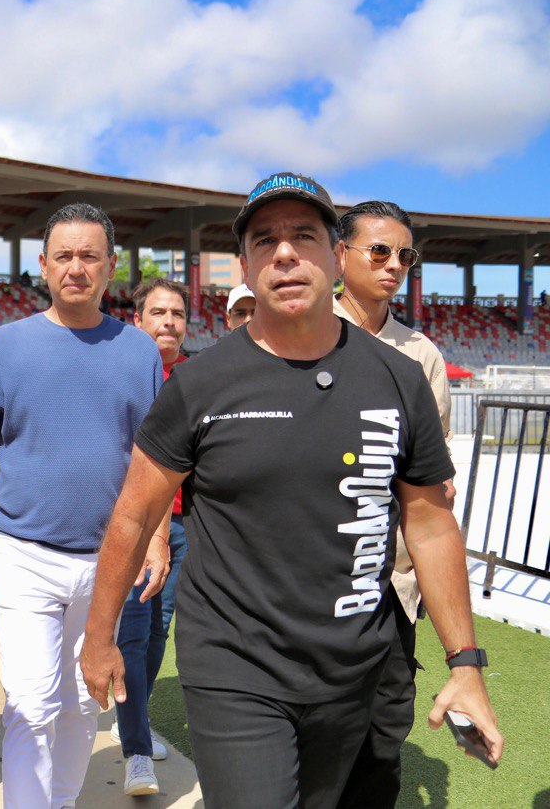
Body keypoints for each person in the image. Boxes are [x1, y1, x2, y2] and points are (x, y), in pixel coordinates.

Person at [80, 171, 503, 808]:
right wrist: (100, 634)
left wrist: (465, 663)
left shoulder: (399, 378)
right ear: (244, 266)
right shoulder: (201, 385)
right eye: (264, 240)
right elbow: (134, 514)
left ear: (334, 255)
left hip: (351, 668)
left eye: (303, 235)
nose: (284, 252)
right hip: (235, 666)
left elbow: (431, 523)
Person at [0, 203, 165, 809]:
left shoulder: (139, 351)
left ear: (110, 266)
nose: (76, 268)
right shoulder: (3, 346)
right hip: (25, 552)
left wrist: (151, 538)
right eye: (64, 256)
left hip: (109, 562)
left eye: (89, 256)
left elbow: (150, 462)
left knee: (81, 699)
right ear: (43, 266)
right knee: (30, 701)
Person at [333, 201, 453, 808]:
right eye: (378, 251)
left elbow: (435, 482)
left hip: (393, 585)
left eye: (405, 255)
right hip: (311, 579)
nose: (393, 265)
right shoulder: (300, 330)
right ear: (339, 254)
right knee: (312, 742)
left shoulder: (422, 355)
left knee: (382, 743)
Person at [111, 276, 190, 794]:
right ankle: (136, 750)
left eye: (177, 313)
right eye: (158, 312)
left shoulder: (202, 376)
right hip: (138, 523)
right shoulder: (118, 370)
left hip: (189, 525)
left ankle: (137, 721)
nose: (168, 321)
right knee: (134, 635)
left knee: (160, 629)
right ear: (138, 320)